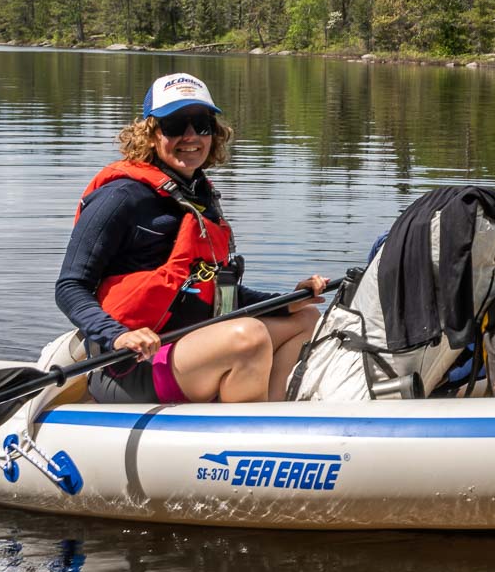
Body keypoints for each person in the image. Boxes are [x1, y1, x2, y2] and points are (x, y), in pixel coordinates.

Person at [56, 72, 327, 404]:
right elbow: (70, 287)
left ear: (213, 133)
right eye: (174, 125)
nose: (190, 136)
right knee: (249, 336)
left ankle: (268, 413)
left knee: (306, 320)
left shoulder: (200, 198)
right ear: (151, 133)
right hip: (127, 366)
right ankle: (246, 437)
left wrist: (287, 300)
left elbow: (210, 292)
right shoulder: (120, 198)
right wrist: (118, 336)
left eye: (200, 124)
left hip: (189, 351)